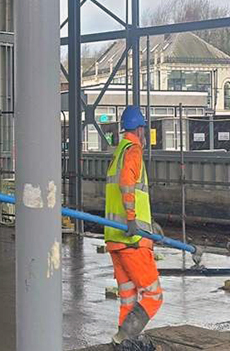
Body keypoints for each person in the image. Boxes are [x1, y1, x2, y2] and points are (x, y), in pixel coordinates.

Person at [105, 105, 163, 346]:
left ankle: (124, 345)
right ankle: (125, 336)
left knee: (128, 297)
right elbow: (127, 185)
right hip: (132, 239)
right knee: (153, 295)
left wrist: (150, 225)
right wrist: (132, 220)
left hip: (115, 238)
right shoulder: (133, 150)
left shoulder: (118, 153)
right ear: (140, 129)